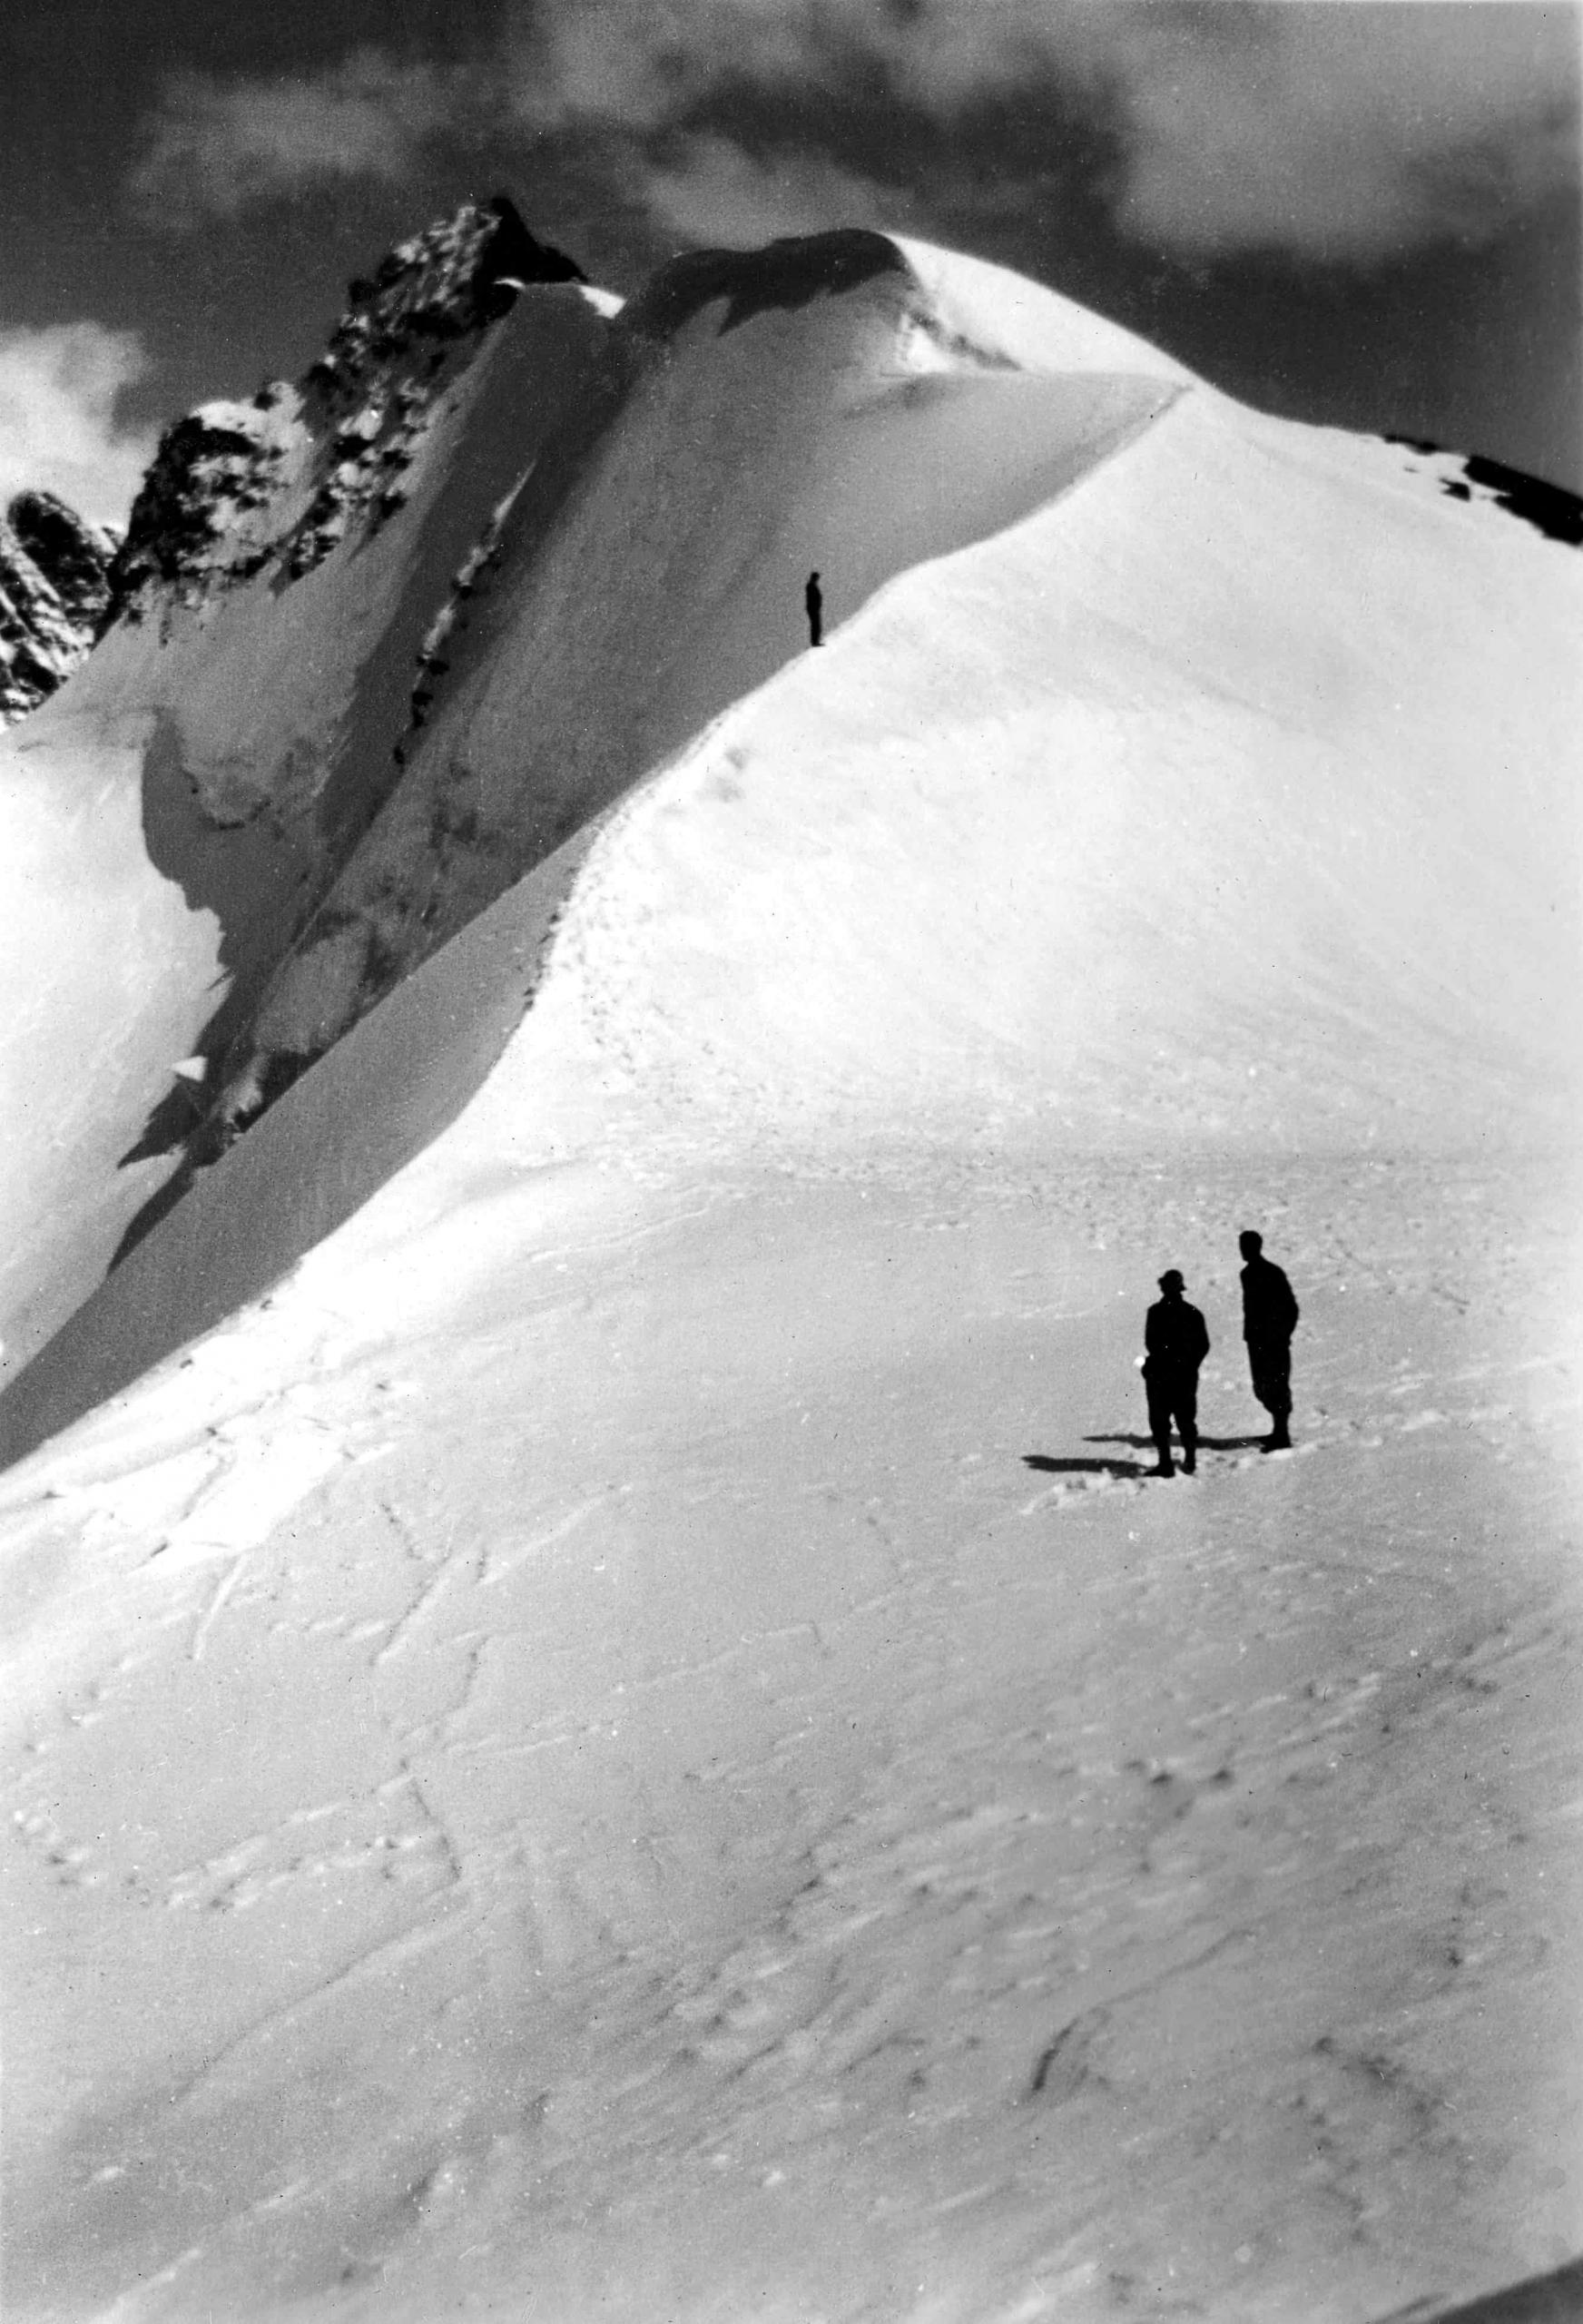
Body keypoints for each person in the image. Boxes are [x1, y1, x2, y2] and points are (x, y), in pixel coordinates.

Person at [1143, 1269, 1210, 1477]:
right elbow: (1203, 1345)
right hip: (1185, 1375)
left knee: (1160, 1420)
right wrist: (1190, 1365)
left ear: (1163, 1287)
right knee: (1186, 1418)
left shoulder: (1155, 1312)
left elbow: (1150, 1343)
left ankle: (1166, 1464)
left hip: (1161, 1374)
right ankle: (1190, 1460)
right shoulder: (1193, 1312)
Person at [1239, 1229, 1300, 1450]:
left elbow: (1291, 1308)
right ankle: (1277, 1431)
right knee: (1262, 1387)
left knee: (1277, 1386)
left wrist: (1282, 1335)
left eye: (1246, 1247)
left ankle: (1282, 1436)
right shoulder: (1246, 1274)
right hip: (1256, 1342)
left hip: (1273, 1342)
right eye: (1241, 1247)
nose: (1243, 1252)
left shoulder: (1273, 1272)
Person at [804, 569, 823, 646]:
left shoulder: (812, 585)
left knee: (816, 625)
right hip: (813, 608)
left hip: (814, 608)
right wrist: (816, 605)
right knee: (816, 625)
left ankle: (815, 641)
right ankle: (815, 642)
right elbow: (813, 597)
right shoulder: (810, 586)